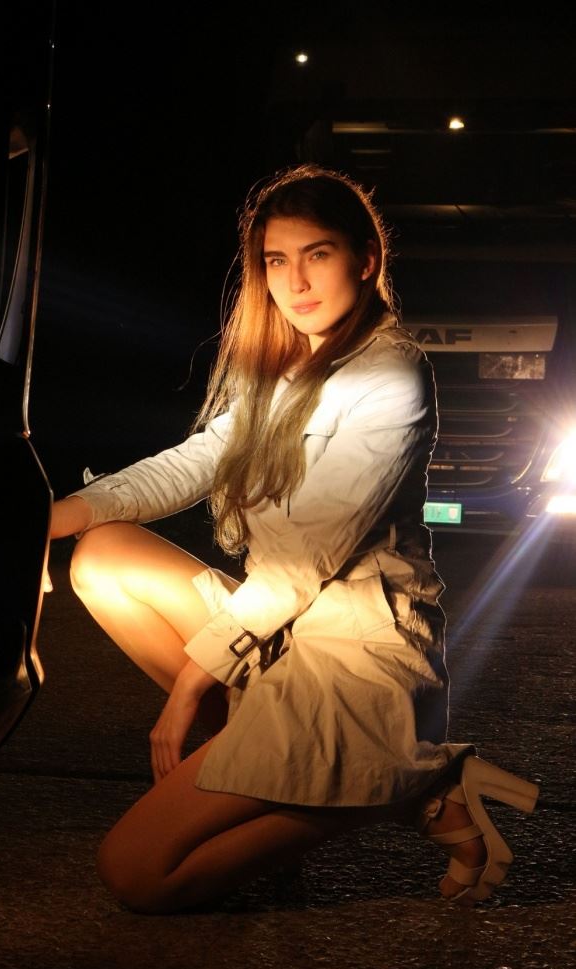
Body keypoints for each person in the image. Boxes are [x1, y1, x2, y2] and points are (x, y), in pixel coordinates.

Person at [48, 164, 539, 914]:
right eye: (276, 260)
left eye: (317, 254)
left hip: (355, 656)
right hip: (284, 632)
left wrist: (193, 682)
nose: (295, 282)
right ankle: (317, 778)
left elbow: (305, 558)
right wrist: (53, 517)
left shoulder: (391, 374)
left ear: (366, 260)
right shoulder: (282, 372)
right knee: (101, 553)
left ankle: (397, 786)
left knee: (135, 873)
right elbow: (194, 462)